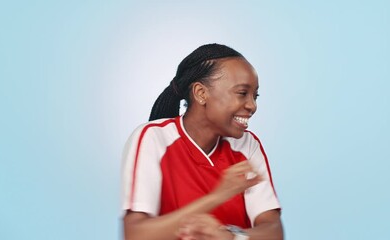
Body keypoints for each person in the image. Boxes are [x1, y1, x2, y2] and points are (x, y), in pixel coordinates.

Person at [121, 43, 283, 240]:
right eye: (242, 93)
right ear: (201, 93)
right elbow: (135, 234)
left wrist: (231, 237)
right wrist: (217, 196)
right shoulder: (153, 138)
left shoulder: (247, 146)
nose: (252, 105)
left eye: (255, 96)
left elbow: (273, 231)